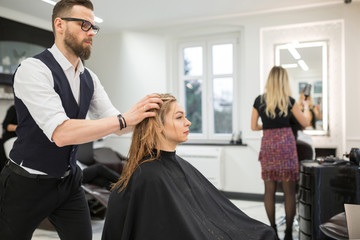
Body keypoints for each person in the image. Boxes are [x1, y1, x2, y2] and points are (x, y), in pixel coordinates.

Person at [0, 0, 162, 239]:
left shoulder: (90, 79)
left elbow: (117, 125)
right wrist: (123, 120)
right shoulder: (33, 69)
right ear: (59, 24)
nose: (91, 33)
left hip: (68, 183)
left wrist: (154, 119)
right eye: (84, 24)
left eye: (93, 27)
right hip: (26, 185)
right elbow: (62, 133)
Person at [102, 94, 277, 240]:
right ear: (158, 127)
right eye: (179, 117)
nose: (188, 123)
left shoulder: (171, 166)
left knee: (265, 233)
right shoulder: (150, 176)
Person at [251, 66, 311, 240]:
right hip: (286, 145)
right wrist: (305, 106)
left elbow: (254, 127)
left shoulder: (259, 100)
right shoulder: (290, 101)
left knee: (269, 190)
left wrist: (269, 126)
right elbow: (305, 122)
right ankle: (288, 234)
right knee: (289, 192)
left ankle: (273, 231)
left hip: (269, 144)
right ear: (284, 81)